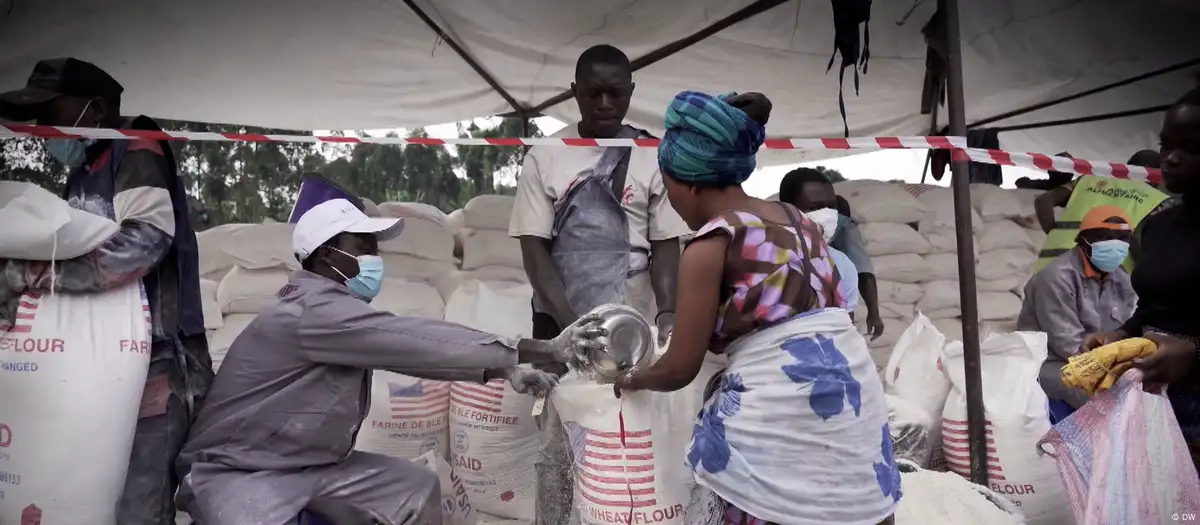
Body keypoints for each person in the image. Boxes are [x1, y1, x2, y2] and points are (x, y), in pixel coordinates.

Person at [175, 199, 597, 525]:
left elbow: (408, 349)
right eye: (364, 246)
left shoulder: (335, 309)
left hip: (313, 467)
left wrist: (504, 368)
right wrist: (541, 348)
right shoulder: (312, 311)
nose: (375, 259)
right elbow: (413, 340)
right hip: (239, 472)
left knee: (413, 487)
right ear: (326, 256)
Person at [610, 91, 897, 524]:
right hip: (854, 405)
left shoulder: (711, 244)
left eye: (668, 188)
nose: (670, 201)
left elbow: (679, 368)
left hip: (777, 427)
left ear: (688, 183)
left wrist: (633, 378)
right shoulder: (799, 220)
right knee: (850, 506)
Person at [0, 58, 211, 525]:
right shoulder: (84, 168)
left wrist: (29, 275)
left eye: (50, 112)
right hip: (103, 362)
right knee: (93, 494)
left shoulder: (135, 145)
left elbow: (145, 243)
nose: (41, 130)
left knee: (138, 506)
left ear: (93, 109)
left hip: (160, 360)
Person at [508, 44, 691, 524]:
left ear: (631, 93)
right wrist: (576, 331)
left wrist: (667, 313)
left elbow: (665, 243)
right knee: (558, 438)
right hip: (560, 315)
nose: (605, 104)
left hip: (634, 319)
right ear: (574, 93)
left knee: (631, 428)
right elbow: (534, 248)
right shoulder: (547, 155)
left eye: (616, 94)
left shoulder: (652, 153)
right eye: (594, 94)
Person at [1081, 86, 1200, 468]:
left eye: (1191, 147)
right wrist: (1121, 334)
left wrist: (1194, 353)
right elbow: (1154, 308)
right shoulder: (1159, 227)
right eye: (1166, 145)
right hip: (1153, 400)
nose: (1171, 158)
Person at [1017, 205, 1137, 410]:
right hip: (1053, 364)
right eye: (1105, 237)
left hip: (1103, 362)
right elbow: (1069, 346)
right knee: (1100, 393)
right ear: (1084, 241)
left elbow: (1131, 326)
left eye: (1122, 238)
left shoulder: (1121, 277)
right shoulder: (1056, 278)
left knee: (1147, 385)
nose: (1115, 245)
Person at [779, 167, 884, 339]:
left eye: (831, 207)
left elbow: (843, 334)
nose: (827, 215)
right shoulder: (763, 259)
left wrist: (874, 313)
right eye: (814, 208)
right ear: (787, 210)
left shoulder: (843, 265)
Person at [1032, 150, 1166, 273]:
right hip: (1102, 277)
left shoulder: (1088, 180)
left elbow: (1043, 201)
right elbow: (1140, 242)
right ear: (1156, 177)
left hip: (1052, 265)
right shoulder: (1155, 199)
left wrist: (1054, 234)